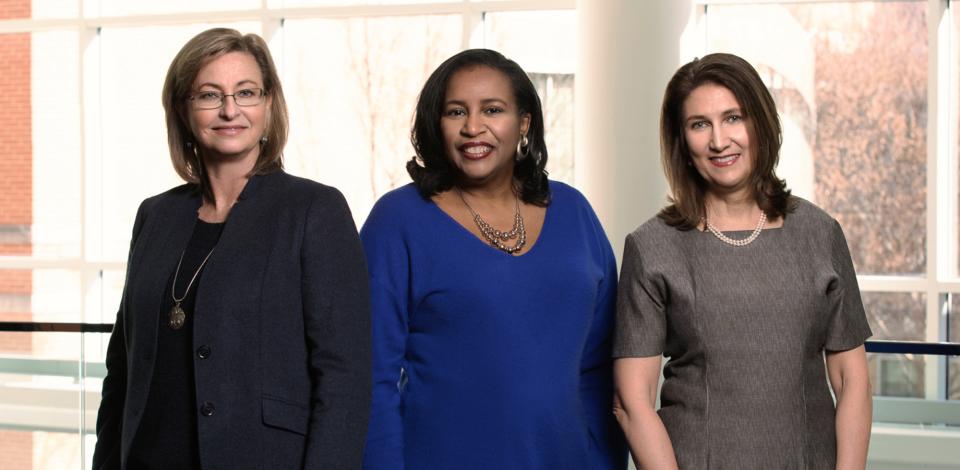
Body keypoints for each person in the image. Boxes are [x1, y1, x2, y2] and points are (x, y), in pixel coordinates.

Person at [91, 28, 371, 470]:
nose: (229, 110)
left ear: (268, 104)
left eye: (246, 92)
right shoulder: (155, 215)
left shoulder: (313, 210)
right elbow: (122, 370)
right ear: (183, 110)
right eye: (209, 95)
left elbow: (345, 378)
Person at [360, 48, 627, 470]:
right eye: (455, 112)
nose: (473, 127)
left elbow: (599, 368)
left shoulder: (574, 212)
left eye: (493, 109)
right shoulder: (398, 221)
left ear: (524, 122)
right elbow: (372, 379)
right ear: (437, 123)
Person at [612, 52, 873, 470]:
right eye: (700, 125)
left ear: (761, 123)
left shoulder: (819, 233)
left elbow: (852, 380)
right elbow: (631, 402)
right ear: (682, 140)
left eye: (733, 118)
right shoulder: (652, 247)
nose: (719, 140)